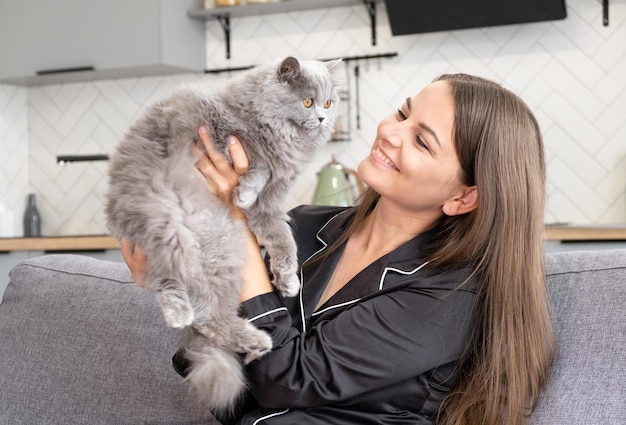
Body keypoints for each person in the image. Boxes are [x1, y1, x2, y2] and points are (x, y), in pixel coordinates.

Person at [122, 73, 555, 425]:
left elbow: (286, 381)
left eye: (422, 141)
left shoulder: (448, 294)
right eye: (403, 113)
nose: (390, 131)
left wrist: (234, 224)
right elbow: (234, 392)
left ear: (463, 198)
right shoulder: (306, 227)